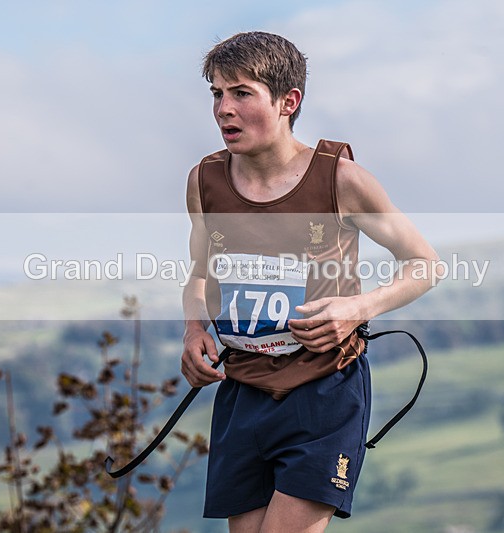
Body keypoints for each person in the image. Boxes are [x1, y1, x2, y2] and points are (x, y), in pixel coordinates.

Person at [181, 31, 440, 533]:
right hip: (242, 390)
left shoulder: (340, 179)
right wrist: (194, 330)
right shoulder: (203, 181)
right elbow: (198, 275)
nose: (223, 110)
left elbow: (424, 263)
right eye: (216, 93)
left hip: (324, 390)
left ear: (287, 101)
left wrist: (358, 309)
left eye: (241, 93)